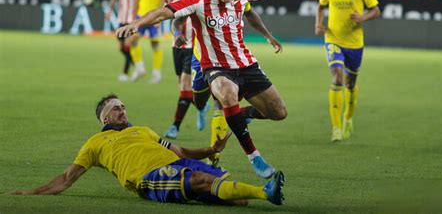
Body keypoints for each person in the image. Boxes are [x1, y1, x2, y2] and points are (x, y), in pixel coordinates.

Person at [116, 0, 327, 179]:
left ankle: (240, 115)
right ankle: (254, 156)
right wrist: (138, 24)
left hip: (246, 64)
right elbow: (163, 12)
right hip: (215, 67)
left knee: (279, 113)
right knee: (226, 92)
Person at [10, 95, 285, 206]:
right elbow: (66, 178)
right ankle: (267, 192)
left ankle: (241, 193)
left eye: (123, 106)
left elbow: (180, 151)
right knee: (206, 182)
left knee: (238, 200)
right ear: (104, 119)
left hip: (177, 166)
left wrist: (210, 148)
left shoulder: (143, 130)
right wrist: (31, 192)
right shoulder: (94, 143)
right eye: (115, 108)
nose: (122, 110)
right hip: (149, 177)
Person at [175, 0, 283, 168]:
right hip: (201, 56)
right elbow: (179, 15)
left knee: (222, 100)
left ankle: (214, 159)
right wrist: (177, 32)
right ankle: (216, 115)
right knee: (199, 103)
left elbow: (250, 14)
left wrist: (268, 35)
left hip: (226, 60)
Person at [315, 0, 380, 142]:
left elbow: (376, 10)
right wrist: (319, 24)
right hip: (333, 39)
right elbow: (321, 7)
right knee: (337, 78)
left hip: (355, 43)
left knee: (350, 84)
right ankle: (336, 128)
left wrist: (362, 18)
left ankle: (348, 118)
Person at [163, 0, 208, 137]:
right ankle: (201, 106)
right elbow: (167, 14)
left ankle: (175, 126)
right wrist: (175, 32)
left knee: (185, 84)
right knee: (183, 87)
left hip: (196, 45)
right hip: (177, 44)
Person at [129, 0, 169, 83]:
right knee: (132, 41)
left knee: (155, 43)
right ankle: (140, 68)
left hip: (154, 16)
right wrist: (134, 17)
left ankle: (157, 73)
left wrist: (161, 15)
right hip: (141, 16)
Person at [105, 0, 137, 81]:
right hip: (121, 18)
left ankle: (125, 73)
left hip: (132, 20)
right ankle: (137, 67)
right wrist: (109, 11)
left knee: (128, 46)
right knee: (121, 47)